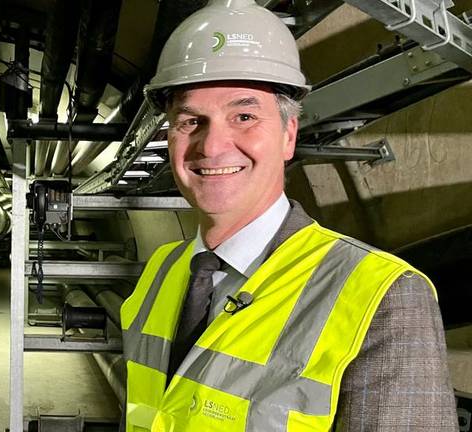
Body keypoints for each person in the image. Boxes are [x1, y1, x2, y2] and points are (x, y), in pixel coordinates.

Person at [119, 0, 458, 430]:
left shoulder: (381, 297)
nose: (211, 146)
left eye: (244, 116)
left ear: (288, 136)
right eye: (191, 121)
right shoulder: (162, 269)